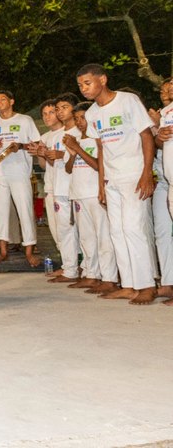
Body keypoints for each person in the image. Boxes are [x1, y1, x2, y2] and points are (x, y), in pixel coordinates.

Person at [79, 64, 157, 304]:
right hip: (112, 179)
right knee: (117, 231)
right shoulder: (92, 114)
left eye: (87, 83)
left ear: (102, 79)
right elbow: (102, 148)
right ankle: (129, 284)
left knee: (134, 229)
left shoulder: (128, 100)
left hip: (133, 175)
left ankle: (146, 285)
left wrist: (147, 173)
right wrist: (102, 183)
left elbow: (146, 135)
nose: (83, 89)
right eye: (80, 85)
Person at [0, 90, 41, 266]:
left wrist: (20, 146)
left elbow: (36, 144)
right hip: (0, 172)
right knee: (0, 211)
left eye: (2, 99)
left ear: (12, 101)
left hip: (20, 171)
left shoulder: (25, 120)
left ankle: (29, 250)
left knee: (25, 209)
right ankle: (3, 251)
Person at [63, 101, 118, 292]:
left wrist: (78, 149)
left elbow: (97, 165)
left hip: (95, 193)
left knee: (103, 237)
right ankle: (92, 274)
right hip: (78, 194)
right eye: (76, 118)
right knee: (86, 239)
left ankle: (109, 277)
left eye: (83, 118)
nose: (79, 122)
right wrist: (72, 152)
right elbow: (68, 169)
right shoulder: (75, 139)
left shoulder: (97, 139)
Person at [45, 93, 82, 283]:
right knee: (64, 230)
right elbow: (53, 165)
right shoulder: (55, 135)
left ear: (74, 109)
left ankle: (85, 269)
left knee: (83, 231)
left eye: (64, 107)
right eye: (57, 108)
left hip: (78, 188)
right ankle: (70, 268)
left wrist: (61, 155)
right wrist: (47, 155)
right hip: (60, 187)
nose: (60, 111)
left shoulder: (80, 131)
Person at [34, 99, 63, 253]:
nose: (47, 117)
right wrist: (40, 154)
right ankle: (67, 264)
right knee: (54, 227)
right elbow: (44, 165)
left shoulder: (69, 132)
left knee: (68, 227)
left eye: (51, 112)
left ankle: (78, 264)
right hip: (50, 186)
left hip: (66, 187)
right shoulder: (44, 137)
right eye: (44, 114)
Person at [154, 77, 173, 305]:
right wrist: (159, 137)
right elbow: (161, 143)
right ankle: (168, 282)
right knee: (163, 233)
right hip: (167, 179)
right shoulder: (166, 112)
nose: (167, 90)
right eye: (165, 87)